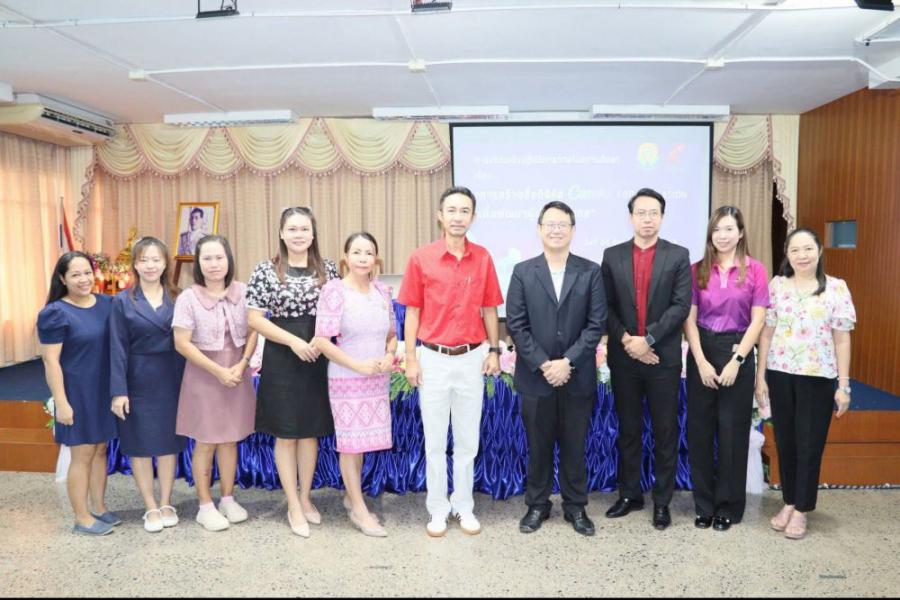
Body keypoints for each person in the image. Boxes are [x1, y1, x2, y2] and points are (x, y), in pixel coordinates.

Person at [398, 186, 504, 538]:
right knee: (434, 442)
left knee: (467, 440)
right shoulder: (421, 258)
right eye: (452, 210)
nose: (458, 217)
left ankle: (464, 505)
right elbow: (412, 312)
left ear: (473, 216)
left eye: (465, 211)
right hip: (433, 358)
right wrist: (411, 359)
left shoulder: (483, 257)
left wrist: (494, 350)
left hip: (471, 358)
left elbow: (490, 309)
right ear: (440, 216)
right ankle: (438, 509)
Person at [505, 201, 607, 536]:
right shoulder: (523, 271)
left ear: (573, 230)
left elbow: (596, 324)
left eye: (562, 224)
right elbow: (516, 325)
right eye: (550, 224)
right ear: (539, 229)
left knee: (575, 445)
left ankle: (576, 507)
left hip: (577, 376)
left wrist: (568, 362)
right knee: (538, 446)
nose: (556, 230)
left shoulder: (590, 271)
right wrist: (545, 364)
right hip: (536, 376)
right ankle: (537, 504)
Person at [600, 188, 691, 530]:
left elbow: (680, 306)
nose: (647, 219)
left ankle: (662, 501)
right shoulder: (612, 256)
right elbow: (605, 305)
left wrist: (648, 339)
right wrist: (628, 340)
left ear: (662, 218)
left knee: (665, 431)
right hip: (624, 358)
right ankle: (630, 494)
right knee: (629, 430)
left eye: (654, 213)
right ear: (631, 218)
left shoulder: (678, 255)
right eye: (641, 213)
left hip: (662, 360)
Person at [755, 228, 855, 540]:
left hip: (818, 378)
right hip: (780, 374)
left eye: (808, 249)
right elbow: (766, 333)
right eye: (795, 250)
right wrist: (760, 376)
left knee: (809, 445)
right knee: (786, 442)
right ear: (787, 254)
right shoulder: (777, 286)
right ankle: (788, 501)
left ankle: (802, 509)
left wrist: (844, 385)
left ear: (819, 250)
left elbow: (842, 340)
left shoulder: (836, 288)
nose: (802, 255)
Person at [246, 207, 339, 538]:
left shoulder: (328, 269)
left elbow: (336, 312)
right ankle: (293, 505)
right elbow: (254, 319)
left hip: (317, 354)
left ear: (313, 234)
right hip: (282, 357)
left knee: (310, 432)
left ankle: (306, 497)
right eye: (292, 229)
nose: (299, 235)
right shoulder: (265, 270)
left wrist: (319, 339)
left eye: (304, 229)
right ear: (282, 234)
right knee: (286, 434)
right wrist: (294, 342)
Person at [683, 206, 769, 532]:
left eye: (729, 229)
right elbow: (689, 319)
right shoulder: (697, 270)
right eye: (717, 229)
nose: (723, 235)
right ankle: (704, 506)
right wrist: (701, 360)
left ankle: (729, 507)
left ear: (741, 232)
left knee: (732, 433)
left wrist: (738, 361)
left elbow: (758, 320)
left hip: (738, 350)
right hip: (702, 351)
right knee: (700, 431)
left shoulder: (755, 270)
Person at [313, 232, 397, 538]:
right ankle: (359, 510)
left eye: (369, 252)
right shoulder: (334, 291)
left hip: (376, 378)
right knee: (350, 445)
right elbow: (322, 340)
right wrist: (357, 365)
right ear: (346, 258)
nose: (363, 258)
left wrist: (389, 356)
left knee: (361, 443)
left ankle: (352, 496)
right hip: (347, 377)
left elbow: (392, 335)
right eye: (357, 252)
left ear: (376, 258)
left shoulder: (382, 291)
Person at [173, 235, 258, 532]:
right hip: (204, 377)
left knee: (230, 438)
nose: (213, 264)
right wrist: (218, 371)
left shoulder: (243, 292)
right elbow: (182, 343)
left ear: (229, 260)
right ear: (197, 263)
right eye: (206, 258)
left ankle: (228, 498)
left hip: (237, 372)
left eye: (219, 257)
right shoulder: (188, 298)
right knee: (206, 440)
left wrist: (242, 364)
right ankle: (205, 505)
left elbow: (254, 330)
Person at [38, 251, 119, 535]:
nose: (84, 279)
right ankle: (82, 518)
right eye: (75, 274)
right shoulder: (54, 313)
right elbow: (51, 362)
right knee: (82, 453)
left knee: (100, 449)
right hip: (77, 393)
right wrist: (61, 402)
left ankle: (99, 508)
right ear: (62, 279)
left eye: (87, 273)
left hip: (103, 390)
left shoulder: (107, 303)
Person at [109, 237, 187, 533]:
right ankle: (150, 506)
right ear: (135, 265)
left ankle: (166, 502)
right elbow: (117, 348)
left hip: (172, 377)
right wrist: (119, 391)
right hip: (137, 379)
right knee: (139, 445)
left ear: (165, 263)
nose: (150, 265)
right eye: (144, 260)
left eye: (156, 259)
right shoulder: (122, 301)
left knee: (168, 444)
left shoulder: (179, 297)